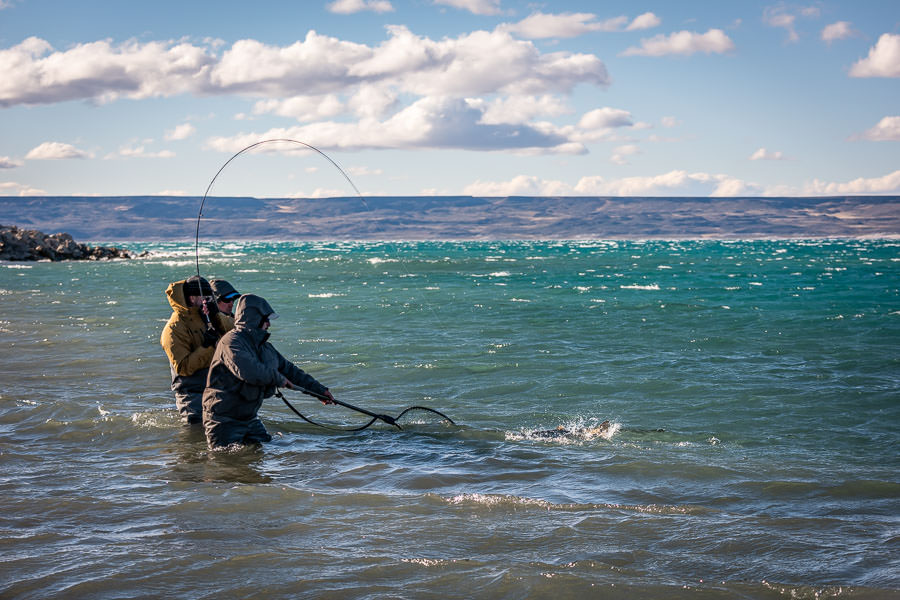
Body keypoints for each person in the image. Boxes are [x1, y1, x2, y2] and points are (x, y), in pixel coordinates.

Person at [202, 294, 335, 449]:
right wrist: (279, 379)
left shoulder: (266, 348)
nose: (269, 324)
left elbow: (291, 371)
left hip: (249, 418)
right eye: (265, 319)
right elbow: (248, 371)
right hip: (223, 419)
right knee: (224, 464)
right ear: (254, 318)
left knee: (262, 451)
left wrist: (319, 391)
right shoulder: (231, 342)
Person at [160, 275, 234, 424]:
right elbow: (183, 368)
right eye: (204, 296)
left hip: (217, 389)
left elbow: (234, 331)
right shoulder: (173, 329)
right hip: (192, 395)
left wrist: (216, 316)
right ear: (192, 298)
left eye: (210, 296)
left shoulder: (207, 314)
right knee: (196, 438)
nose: (208, 300)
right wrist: (207, 347)